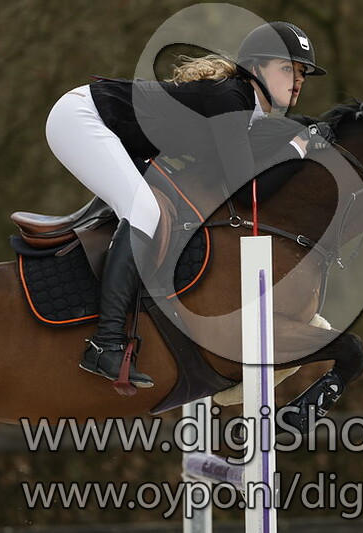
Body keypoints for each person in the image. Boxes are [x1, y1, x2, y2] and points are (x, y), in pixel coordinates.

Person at [45, 21, 327, 389]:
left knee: (160, 208)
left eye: (302, 72)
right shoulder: (231, 99)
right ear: (256, 68)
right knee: (144, 212)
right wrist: (298, 149)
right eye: (288, 68)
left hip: (112, 131)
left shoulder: (246, 108)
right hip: (83, 119)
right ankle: (105, 343)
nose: (298, 79)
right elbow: (248, 192)